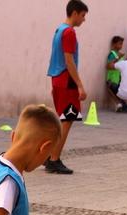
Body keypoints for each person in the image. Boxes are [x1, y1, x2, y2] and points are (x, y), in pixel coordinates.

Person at [46, 0, 88, 175]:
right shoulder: (69, 32)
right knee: (67, 119)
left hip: (57, 79)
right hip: (66, 79)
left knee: (62, 118)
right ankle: (54, 159)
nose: (84, 20)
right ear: (75, 13)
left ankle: (50, 155)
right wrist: (80, 85)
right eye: (83, 16)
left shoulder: (59, 30)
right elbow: (69, 60)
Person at [105, 36, 125, 111]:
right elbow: (109, 66)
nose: (121, 46)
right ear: (114, 44)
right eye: (119, 43)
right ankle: (118, 104)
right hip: (112, 79)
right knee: (113, 90)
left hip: (120, 79)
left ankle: (122, 104)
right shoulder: (112, 54)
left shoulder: (120, 54)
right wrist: (117, 58)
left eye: (122, 44)